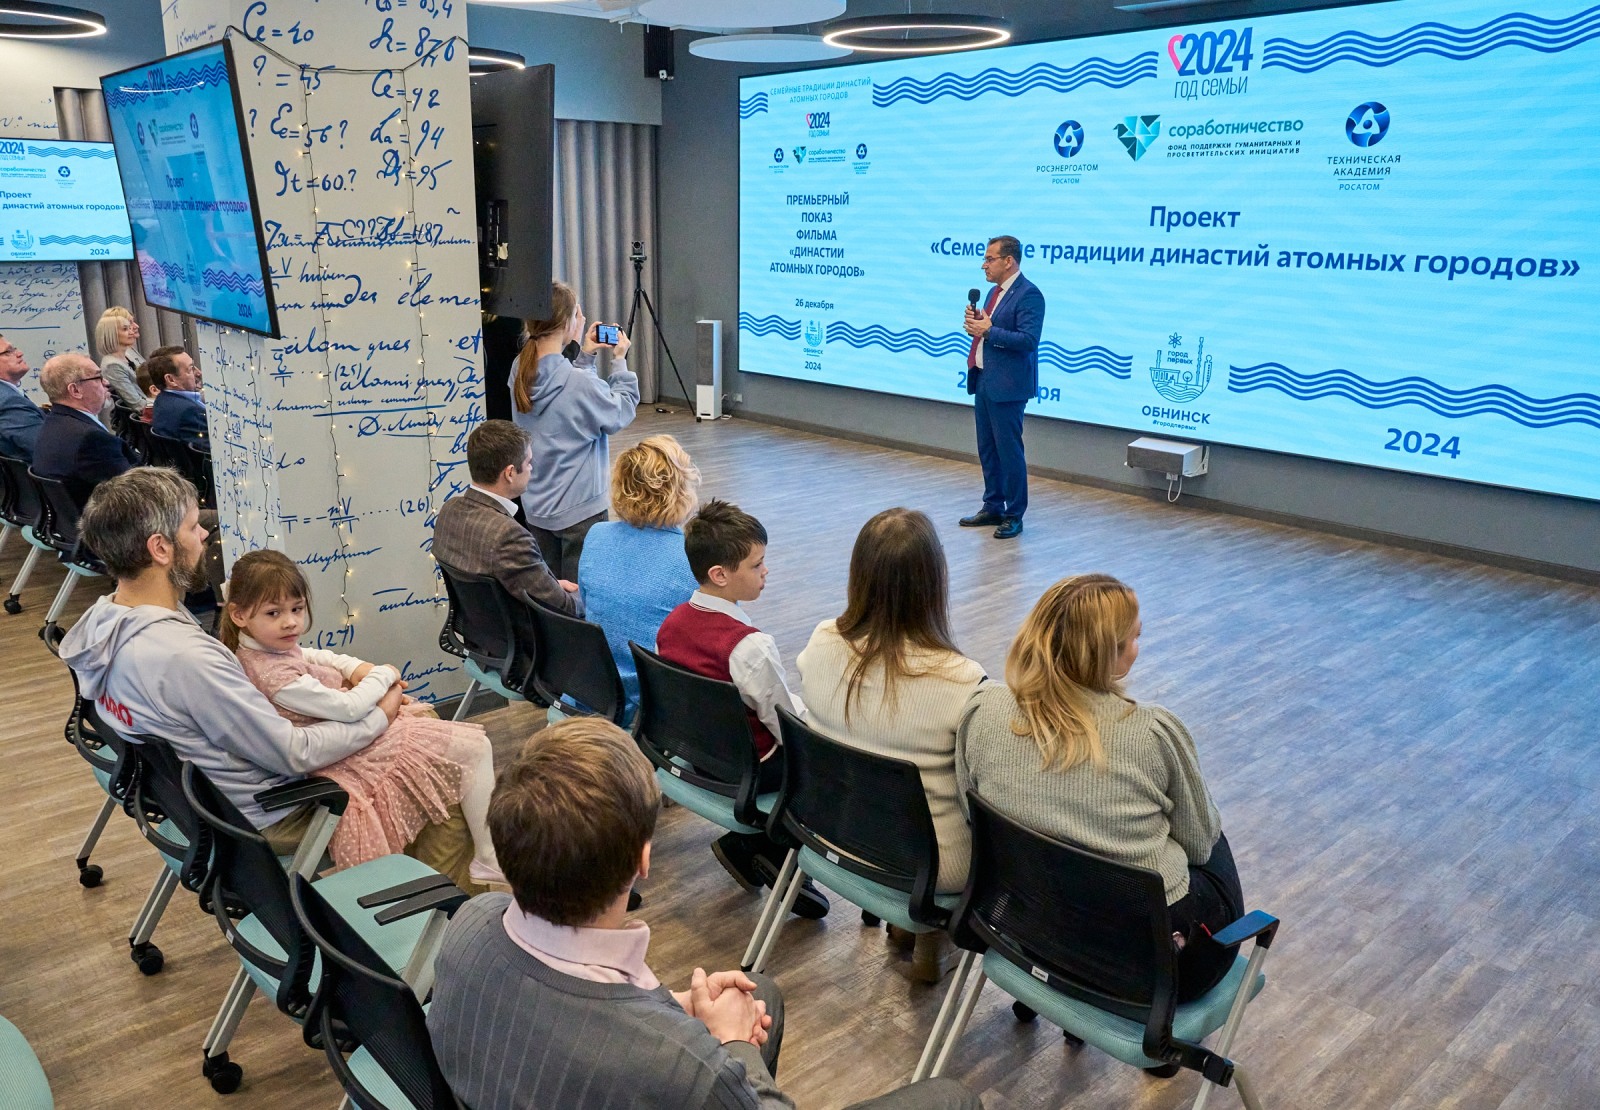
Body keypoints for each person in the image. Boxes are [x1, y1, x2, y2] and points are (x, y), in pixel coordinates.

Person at [427, 717, 980, 1110]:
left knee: (760, 993)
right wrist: (732, 1046)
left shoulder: (470, 923)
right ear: (643, 860)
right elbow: (686, 1067)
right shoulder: (685, 1071)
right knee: (951, 1099)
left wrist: (674, 1007)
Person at [58, 468, 482, 892]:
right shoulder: (183, 658)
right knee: (437, 777)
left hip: (206, 804)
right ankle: (446, 921)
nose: (203, 536)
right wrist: (380, 716)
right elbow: (293, 754)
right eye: (192, 527)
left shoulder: (106, 623)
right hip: (267, 813)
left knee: (421, 752)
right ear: (160, 548)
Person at [956, 574, 1244, 1001]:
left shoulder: (983, 708)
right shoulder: (1153, 734)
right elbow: (1200, 846)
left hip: (1028, 924)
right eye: (1134, 638)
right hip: (1153, 965)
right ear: (1110, 653)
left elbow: (970, 813)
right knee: (1208, 829)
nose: (1138, 647)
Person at [224, 549, 504, 884]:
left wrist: (358, 668)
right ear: (239, 615)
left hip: (342, 741)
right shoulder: (275, 676)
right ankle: (488, 855)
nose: (290, 622)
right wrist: (385, 674)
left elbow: (316, 655)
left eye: (297, 609)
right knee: (476, 747)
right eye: (274, 613)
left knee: (437, 734)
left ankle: (469, 865)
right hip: (342, 759)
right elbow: (350, 708)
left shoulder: (263, 650)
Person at [797, 508, 985, 982]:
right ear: (935, 582)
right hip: (931, 866)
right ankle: (929, 940)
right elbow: (976, 796)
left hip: (833, 828)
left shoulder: (821, 640)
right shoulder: (964, 682)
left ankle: (913, 931)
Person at [655, 499, 826, 919]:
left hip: (701, 752)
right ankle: (774, 850)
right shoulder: (749, 646)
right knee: (828, 761)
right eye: (756, 564)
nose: (766, 571)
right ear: (720, 574)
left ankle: (748, 844)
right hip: (752, 767)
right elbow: (786, 726)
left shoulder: (672, 623)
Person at [510, 281, 640, 580]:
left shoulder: (519, 368)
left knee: (551, 592)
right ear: (568, 323)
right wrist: (620, 361)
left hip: (537, 507)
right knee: (582, 596)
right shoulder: (578, 383)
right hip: (580, 512)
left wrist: (586, 357)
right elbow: (620, 411)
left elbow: (571, 395)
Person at [577, 434, 700, 720]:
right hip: (648, 707)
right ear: (681, 489)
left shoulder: (596, 535)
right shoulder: (694, 559)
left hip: (590, 690)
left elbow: (588, 605)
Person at [431, 419, 582, 618]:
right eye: (528, 463)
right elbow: (563, 608)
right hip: (525, 634)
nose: (531, 469)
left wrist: (550, 585)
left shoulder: (449, 511)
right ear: (510, 473)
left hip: (477, 631)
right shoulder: (509, 536)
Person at [959, 235, 1045, 541]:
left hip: (1009, 387)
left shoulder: (1029, 294)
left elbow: (1028, 341)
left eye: (989, 259)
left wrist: (989, 330)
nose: (984, 265)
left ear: (1009, 261)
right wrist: (978, 325)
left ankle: (1014, 514)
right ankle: (993, 505)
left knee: (1009, 452)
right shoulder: (993, 293)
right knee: (988, 449)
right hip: (984, 379)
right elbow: (991, 332)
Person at [31, 352, 136, 506]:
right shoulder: (90, 439)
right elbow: (134, 491)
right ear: (75, 390)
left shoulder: (52, 424)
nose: (106, 382)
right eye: (98, 377)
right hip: (106, 516)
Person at [94, 307, 148, 424]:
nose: (132, 330)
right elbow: (138, 405)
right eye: (125, 328)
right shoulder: (112, 365)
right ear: (111, 334)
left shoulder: (129, 352)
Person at [147, 346, 208, 446]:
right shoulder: (190, 412)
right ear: (171, 379)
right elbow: (211, 451)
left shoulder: (161, 399)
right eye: (190, 369)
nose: (198, 373)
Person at [0, 334, 44, 460]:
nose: (19, 353)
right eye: (8, 352)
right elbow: (47, 450)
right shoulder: (9, 402)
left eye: (14, 349)